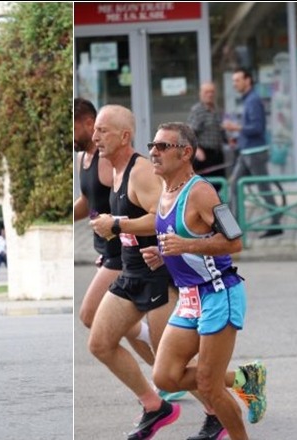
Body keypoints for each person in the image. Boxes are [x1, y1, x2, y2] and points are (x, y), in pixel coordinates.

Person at [141, 122, 267, 440]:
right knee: (166, 376)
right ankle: (244, 378)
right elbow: (184, 240)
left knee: (209, 386)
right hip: (189, 297)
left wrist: (185, 247)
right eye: (152, 145)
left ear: (186, 153)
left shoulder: (201, 191)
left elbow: (235, 241)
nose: (154, 152)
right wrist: (164, 254)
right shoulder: (166, 192)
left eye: (162, 146)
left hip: (218, 293)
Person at [87, 104, 180, 439]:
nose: (95, 136)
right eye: (95, 130)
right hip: (131, 273)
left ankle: (232, 392)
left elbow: (160, 217)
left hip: (158, 274)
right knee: (100, 343)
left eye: (103, 130)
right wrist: (113, 237)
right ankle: (155, 407)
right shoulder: (113, 169)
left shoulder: (140, 170)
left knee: (171, 368)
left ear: (124, 136)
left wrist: (116, 223)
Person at [72, 98, 157, 378]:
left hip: (128, 255)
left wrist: (117, 230)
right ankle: (162, 376)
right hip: (112, 252)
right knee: (109, 328)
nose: (96, 137)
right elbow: (90, 201)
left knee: (91, 315)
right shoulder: (87, 159)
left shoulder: (114, 163)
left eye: (101, 130)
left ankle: (164, 368)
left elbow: (137, 206)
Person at [223, 68, 282, 238]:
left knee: (263, 188)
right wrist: (238, 138)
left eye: (238, 80)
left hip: (255, 152)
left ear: (248, 80)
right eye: (233, 80)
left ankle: (275, 222)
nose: (235, 84)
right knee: (234, 185)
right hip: (246, 150)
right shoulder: (248, 100)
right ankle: (234, 227)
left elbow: (257, 128)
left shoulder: (253, 100)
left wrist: (237, 128)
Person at [187, 82, 228, 184]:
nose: (209, 94)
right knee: (204, 185)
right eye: (206, 92)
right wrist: (197, 150)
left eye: (212, 92)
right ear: (200, 94)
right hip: (204, 155)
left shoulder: (217, 110)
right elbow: (189, 133)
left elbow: (219, 131)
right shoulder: (197, 110)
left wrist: (228, 140)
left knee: (219, 184)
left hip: (217, 154)